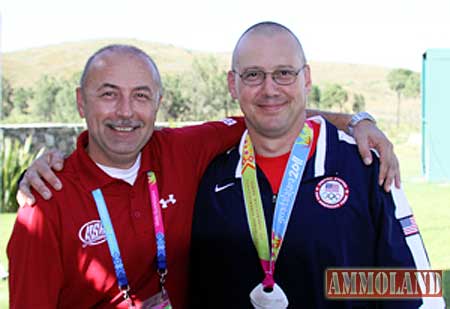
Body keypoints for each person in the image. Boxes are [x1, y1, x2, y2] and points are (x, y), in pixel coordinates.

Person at [11, 45, 398, 307]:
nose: (126, 112)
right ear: (81, 101)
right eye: (108, 94)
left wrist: (356, 121)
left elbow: (269, 112)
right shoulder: (46, 200)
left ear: (159, 102)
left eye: (141, 96)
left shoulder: (182, 150)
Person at [189, 22, 444, 308]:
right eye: (253, 75)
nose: (269, 89)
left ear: (306, 79)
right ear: (232, 84)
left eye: (284, 73)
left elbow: (416, 292)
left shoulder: (367, 164)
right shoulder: (213, 180)